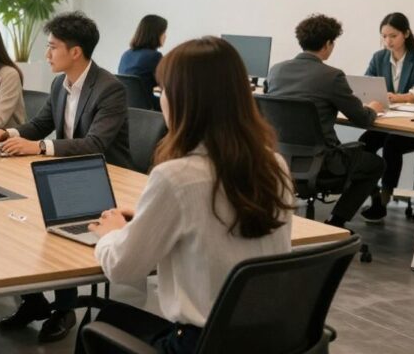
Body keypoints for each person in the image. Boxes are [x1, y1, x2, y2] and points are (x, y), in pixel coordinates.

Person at [80, 36, 294, 354]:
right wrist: (150, 223)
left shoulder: (176, 177)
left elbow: (123, 268)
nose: (161, 98)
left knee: (98, 320)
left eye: (163, 90)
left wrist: (111, 235)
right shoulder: (273, 164)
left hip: (198, 345)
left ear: (184, 100)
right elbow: (219, 226)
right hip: (266, 341)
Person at [0, 11, 132, 344]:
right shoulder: (60, 84)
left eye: (53, 47)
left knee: (55, 219)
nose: (47, 54)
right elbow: (39, 126)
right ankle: (33, 299)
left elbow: (95, 144)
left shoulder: (109, 88)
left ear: (75, 52)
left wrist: (38, 147)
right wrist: (6, 132)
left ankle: (64, 308)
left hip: (106, 178)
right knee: (12, 216)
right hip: (69, 171)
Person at [266, 14, 385, 228]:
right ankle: (336, 221)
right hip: (323, 164)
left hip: (281, 161)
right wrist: (373, 108)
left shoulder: (276, 71)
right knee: (376, 164)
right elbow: (361, 118)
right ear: (328, 44)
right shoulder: (332, 76)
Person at [359, 13, 414, 222]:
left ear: (406, 34)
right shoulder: (379, 57)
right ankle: (372, 195)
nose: (388, 41)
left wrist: (400, 97)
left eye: (393, 35)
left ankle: (384, 200)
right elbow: (367, 83)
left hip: (411, 125)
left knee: (392, 145)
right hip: (385, 121)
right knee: (363, 144)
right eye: (384, 36)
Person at [118, 14, 167, 99]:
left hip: (127, 106)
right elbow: (166, 84)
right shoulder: (154, 56)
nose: (165, 36)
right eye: (163, 32)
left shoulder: (126, 54)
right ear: (155, 34)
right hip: (147, 107)